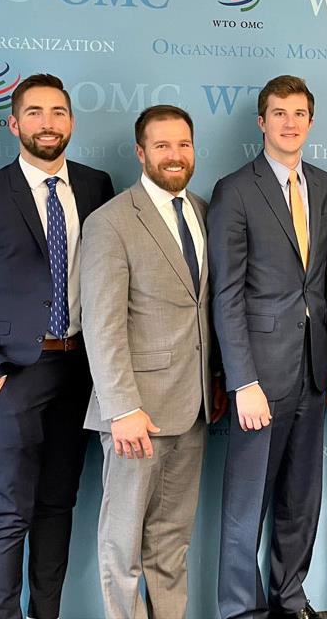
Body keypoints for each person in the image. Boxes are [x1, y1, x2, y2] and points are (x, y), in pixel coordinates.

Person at [0, 73, 114, 619]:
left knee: (57, 506)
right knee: (9, 510)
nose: (48, 123)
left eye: (58, 112)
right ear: (15, 124)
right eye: (35, 113)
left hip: (82, 371)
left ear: (71, 121)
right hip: (15, 373)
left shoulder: (96, 186)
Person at [81, 105, 227, 619]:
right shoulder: (110, 222)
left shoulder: (207, 212)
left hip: (192, 409)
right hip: (135, 412)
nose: (174, 155)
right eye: (162, 146)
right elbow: (102, 325)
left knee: (171, 541)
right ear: (141, 153)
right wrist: (122, 408)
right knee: (122, 543)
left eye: (183, 144)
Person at [208, 75, 327, 619]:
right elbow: (227, 292)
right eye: (279, 113)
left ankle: (290, 596)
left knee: (300, 499)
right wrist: (242, 381)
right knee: (247, 505)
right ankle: (242, 610)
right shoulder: (235, 189)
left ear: (311, 121)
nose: (290, 123)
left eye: (299, 113)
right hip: (258, 375)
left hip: (313, 369)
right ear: (261, 123)